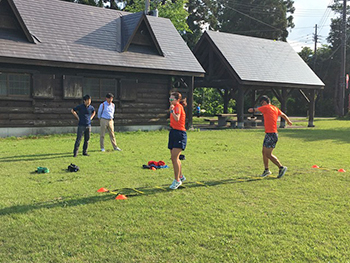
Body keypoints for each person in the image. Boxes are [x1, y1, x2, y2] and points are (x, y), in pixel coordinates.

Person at [248, 95, 292, 178]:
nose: (261, 105)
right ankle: (266, 170)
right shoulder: (275, 108)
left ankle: (281, 167)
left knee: (268, 154)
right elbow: (283, 115)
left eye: (261, 103)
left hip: (272, 134)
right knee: (264, 152)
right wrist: (288, 121)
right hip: (269, 133)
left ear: (264, 102)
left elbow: (254, 110)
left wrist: (251, 109)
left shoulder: (266, 107)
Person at [168, 92, 187, 189]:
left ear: (177, 100)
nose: (170, 100)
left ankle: (177, 180)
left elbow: (177, 118)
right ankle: (181, 176)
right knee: (174, 158)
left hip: (180, 134)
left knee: (174, 158)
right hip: (173, 132)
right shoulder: (173, 106)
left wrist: (172, 111)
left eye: (172, 99)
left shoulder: (178, 107)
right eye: (170, 99)